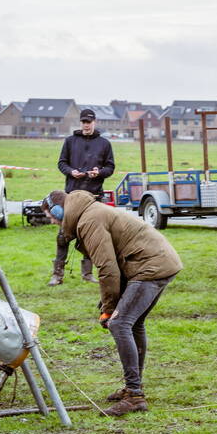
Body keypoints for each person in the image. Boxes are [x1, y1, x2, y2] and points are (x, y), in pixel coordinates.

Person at [53, 190, 182, 416]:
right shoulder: (90, 213)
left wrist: (110, 309)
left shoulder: (89, 220)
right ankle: (134, 388)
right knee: (132, 324)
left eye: (51, 216)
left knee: (119, 324)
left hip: (149, 266)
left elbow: (107, 268)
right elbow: (116, 263)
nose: (52, 221)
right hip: (156, 262)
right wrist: (108, 302)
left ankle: (134, 395)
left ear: (59, 211)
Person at [50, 108, 115, 286]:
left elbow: (110, 168)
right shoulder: (70, 141)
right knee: (63, 235)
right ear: (80, 123)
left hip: (94, 196)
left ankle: (87, 274)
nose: (86, 125)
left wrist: (99, 172)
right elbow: (61, 163)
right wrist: (72, 172)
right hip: (72, 195)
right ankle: (57, 274)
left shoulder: (104, 144)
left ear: (94, 122)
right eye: (84, 122)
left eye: (89, 122)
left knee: (91, 235)